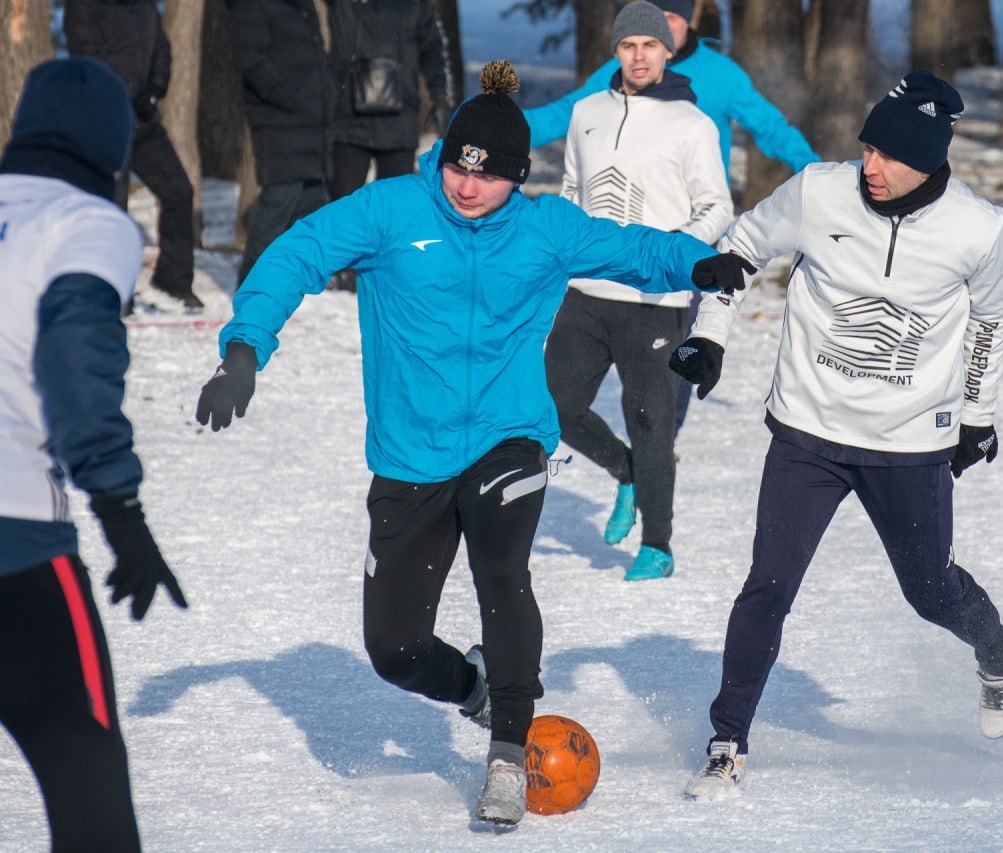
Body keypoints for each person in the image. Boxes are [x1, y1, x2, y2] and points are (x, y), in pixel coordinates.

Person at [194, 60, 740, 827]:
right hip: (410, 456)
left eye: (486, 177)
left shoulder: (546, 228)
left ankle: (509, 756)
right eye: (456, 166)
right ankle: (477, 692)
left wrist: (695, 261)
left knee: (502, 566)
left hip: (507, 437)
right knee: (395, 649)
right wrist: (246, 346)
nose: (465, 187)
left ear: (517, 177)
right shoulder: (391, 211)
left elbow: (631, 247)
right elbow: (297, 253)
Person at [673, 72, 1003, 799]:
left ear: (929, 160)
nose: (871, 165)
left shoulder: (978, 228)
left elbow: (991, 322)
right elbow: (737, 250)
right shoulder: (816, 193)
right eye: (867, 148)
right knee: (767, 586)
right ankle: (728, 740)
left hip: (908, 443)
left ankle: (998, 648)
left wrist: (977, 415)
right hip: (806, 431)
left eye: (889, 156)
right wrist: (710, 337)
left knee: (930, 592)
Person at [0, 57, 188, 851]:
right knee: (90, 797)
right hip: (15, 542)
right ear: (112, 152)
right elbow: (73, 363)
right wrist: (121, 512)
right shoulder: (88, 223)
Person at [545, 2, 732, 582]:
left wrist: (679, 248)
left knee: (649, 418)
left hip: (656, 298)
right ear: (616, 50)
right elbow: (572, 189)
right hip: (586, 288)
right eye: (628, 46)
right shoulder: (585, 112)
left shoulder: (691, 123)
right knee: (551, 407)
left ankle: (657, 544)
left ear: (667, 51)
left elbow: (717, 205)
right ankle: (625, 473)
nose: (639, 56)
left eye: (649, 46)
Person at [523, 0, 819, 180]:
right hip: (634, 209)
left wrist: (814, 170)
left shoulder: (722, 74)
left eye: (672, 17)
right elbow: (566, 113)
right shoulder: (624, 70)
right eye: (657, 16)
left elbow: (770, 127)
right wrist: (497, 124)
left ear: (688, 21)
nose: (663, 26)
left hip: (699, 210)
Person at [64, 0, 202, 310]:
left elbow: (161, 49)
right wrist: (119, 94)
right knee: (114, 203)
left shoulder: (145, 6)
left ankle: (174, 281)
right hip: (105, 115)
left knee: (179, 190)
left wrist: (153, 90)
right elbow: (84, 55)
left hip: (143, 117)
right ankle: (113, 290)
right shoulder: (84, 6)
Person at [324, 0, 456, 291]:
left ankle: (386, 266)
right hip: (348, 115)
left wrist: (439, 95)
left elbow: (433, 48)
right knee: (345, 198)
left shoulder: (417, 6)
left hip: (398, 115)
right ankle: (345, 266)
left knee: (395, 203)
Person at [227, 0, 334, 287]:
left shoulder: (303, 6)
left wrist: (324, 98)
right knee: (280, 200)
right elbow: (250, 61)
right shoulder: (254, 7)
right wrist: (290, 97)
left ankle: (290, 278)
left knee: (311, 199)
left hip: (313, 121)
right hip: (278, 120)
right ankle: (251, 285)